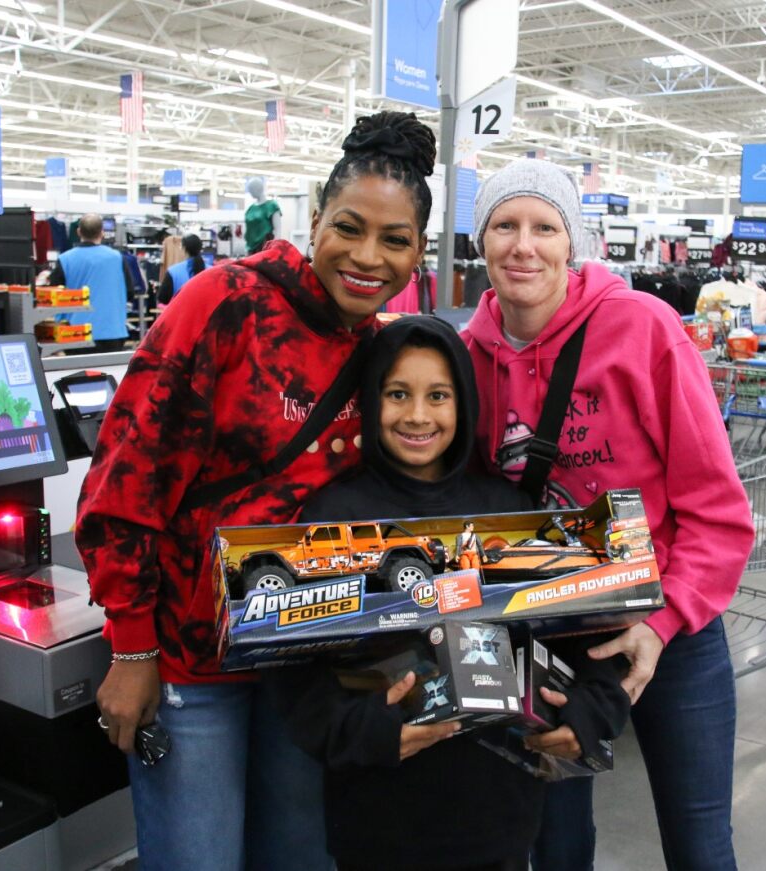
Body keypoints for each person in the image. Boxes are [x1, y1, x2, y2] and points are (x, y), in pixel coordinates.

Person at [75, 111, 437, 871]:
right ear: (315, 220)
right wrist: (132, 644)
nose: (367, 256)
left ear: (418, 252)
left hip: (304, 663)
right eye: (349, 227)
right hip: (189, 663)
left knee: (301, 854)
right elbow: (123, 477)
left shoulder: (382, 352)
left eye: (394, 240)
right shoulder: (226, 304)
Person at [462, 159, 756, 871]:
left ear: (573, 242)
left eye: (544, 227)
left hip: (670, 631)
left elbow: (717, 511)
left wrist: (660, 624)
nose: (522, 245)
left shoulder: (642, 327)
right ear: (481, 241)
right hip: (544, 639)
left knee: (698, 844)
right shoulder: (466, 356)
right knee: (554, 848)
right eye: (504, 225)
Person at [288, 315, 630, 871]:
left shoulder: (513, 513)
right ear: (372, 401)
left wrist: (592, 712)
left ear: (464, 403)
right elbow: (296, 674)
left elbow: (585, 635)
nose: (417, 415)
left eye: (438, 395)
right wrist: (366, 731)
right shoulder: (332, 520)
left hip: (498, 820)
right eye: (398, 393)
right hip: (377, 822)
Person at [48, 213, 135, 352]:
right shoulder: (117, 258)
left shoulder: (65, 259)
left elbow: (54, 294)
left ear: (78, 232)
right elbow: (130, 292)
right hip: (112, 331)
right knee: (111, 373)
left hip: (76, 333)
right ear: (102, 233)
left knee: (78, 372)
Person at [157, 233, 207, 305]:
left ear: (184, 249)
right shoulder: (212, 271)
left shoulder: (173, 272)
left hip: (181, 314)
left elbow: (163, 299)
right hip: (207, 315)